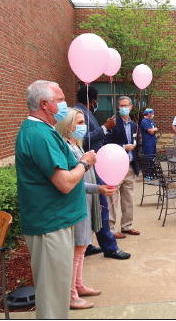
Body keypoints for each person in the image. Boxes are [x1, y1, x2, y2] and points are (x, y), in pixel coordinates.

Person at [16, 80, 96, 318]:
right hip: (50, 225)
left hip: (57, 222)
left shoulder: (45, 130)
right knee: (52, 299)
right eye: (60, 99)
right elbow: (64, 182)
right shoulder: (39, 134)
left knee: (58, 292)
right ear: (45, 104)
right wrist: (85, 162)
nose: (64, 104)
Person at [55, 108, 116, 310]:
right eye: (79, 123)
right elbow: (73, 181)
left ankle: (79, 285)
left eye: (83, 123)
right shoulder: (66, 148)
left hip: (86, 204)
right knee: (78, 248)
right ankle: (71, 294)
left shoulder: (78, 147)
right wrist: (97, 188)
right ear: (67, 125)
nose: (83, 127)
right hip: (77, 204)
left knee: (82, 248)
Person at [75, 86, 130, 260]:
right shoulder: (80, 113)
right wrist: (105, 128)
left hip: (91, 164)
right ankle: (110, 247)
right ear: (93, 100)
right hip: (89, 166)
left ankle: (87, 243)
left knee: (92, 208)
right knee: (101, 207)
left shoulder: (84, 111)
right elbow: (83, 140)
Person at [104, 96, 141, 238]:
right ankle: (111, 229)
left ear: (131, 107)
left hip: (130, 166)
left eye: (126, 105)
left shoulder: (134, 125)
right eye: (121, 106)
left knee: (128, 199)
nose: (123, 108)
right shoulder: (112, 123)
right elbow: (105, 143)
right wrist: (123, 147)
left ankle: (127, 226)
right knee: (112, 200)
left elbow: (137, 143)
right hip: (115, 167)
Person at [140, 108, 158, 180]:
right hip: (147, 143)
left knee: (153, 158)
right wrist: (154, 129)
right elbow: (150, 131)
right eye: (152, 113)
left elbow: (156, 129)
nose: (153, 114)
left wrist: (154, 129)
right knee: (148, 158)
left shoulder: (151, 121)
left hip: (153, 142)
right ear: (148, 114)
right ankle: (147, 175)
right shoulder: (144, 121)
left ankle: (152, 173)